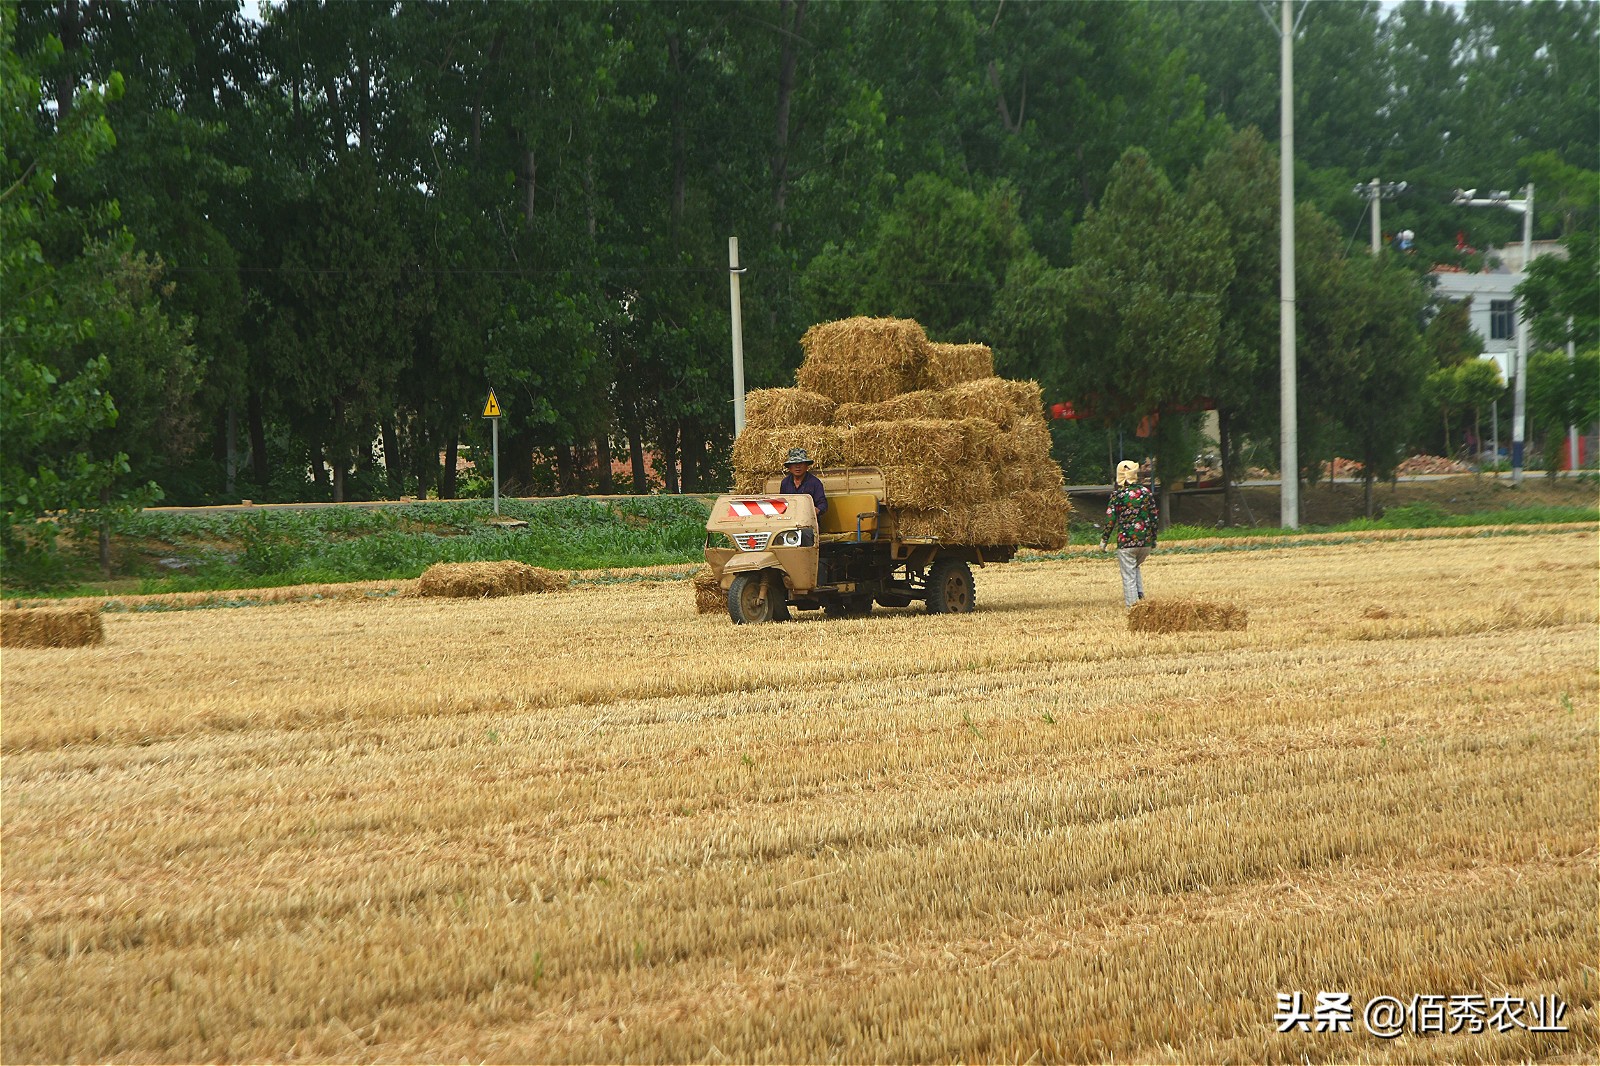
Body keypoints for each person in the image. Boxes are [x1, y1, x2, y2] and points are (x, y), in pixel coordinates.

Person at [1100, 459, 1157, 608]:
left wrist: (1104, 540)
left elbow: (1110, 519)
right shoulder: (1146, 493)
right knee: (1135, 567)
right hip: (1145, 542)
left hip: (1126, 543)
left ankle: (1133, 608)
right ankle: (1141, 600)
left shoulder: (1118, 495)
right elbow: (1153, 517)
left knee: (1128, 576)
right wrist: (1153, 539)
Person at [779, 447, 828, 518]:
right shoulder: (785, 483)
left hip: (809, 520)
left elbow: (823, 504)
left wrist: (815, 510)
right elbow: (782, 504)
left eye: (801, 463)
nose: (797, 466)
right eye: (794, 463)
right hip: (790, 520)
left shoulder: (815, 483)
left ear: (806, 466)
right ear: (789, 467)